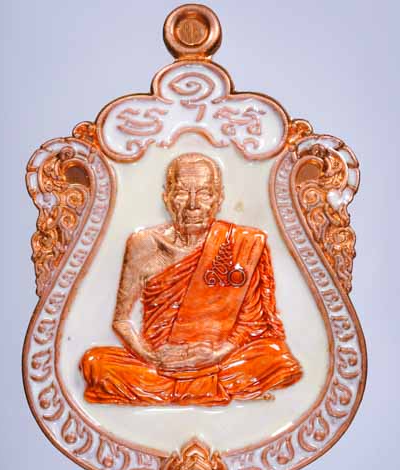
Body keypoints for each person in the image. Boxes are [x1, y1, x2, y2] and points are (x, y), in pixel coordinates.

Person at [80, 152, 302, 406]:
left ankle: (186, 386)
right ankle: (199, 386)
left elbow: (252, 324)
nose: (193, 205)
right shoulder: (144, 244)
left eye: (204, 193)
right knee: (95, 362)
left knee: (276, 356)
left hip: (220, 359)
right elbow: (121, 320)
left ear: (218, 199)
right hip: (160, 362)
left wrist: (217, 354)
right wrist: (151, 357)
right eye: (182, 193)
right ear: (167, 197)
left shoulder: (243, 243)